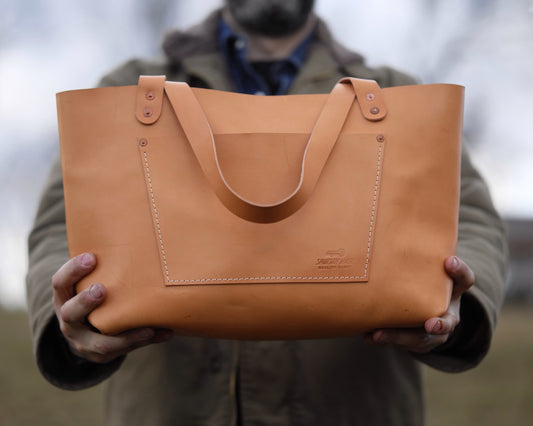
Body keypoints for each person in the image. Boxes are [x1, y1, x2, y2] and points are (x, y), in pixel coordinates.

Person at [26, 1, 508, 425]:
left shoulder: (398, 93)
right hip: (171, 409)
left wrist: (458, 305)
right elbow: (60, 223)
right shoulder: (125, 92)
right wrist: (69, 320)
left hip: (352, 408)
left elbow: (470, 216)